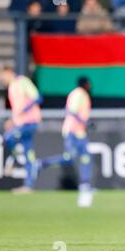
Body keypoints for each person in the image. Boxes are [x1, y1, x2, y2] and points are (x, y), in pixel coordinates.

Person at [35, 77, 95, 208]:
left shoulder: (78, 94)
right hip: (73, 132)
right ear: (85, 84)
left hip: (78, 132)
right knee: (71, 158)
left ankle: (85, 185)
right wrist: (85, 122)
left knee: (85, 158)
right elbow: (70, 111)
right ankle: (42, 163)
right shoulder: (79, 94)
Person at [0, 66, 42, 194]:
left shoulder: (21, 81)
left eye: (3, 76)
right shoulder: (11, 87)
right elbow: (17, 109)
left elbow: (38, 97)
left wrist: (24, 111)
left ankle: (13, 161)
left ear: (9, 73)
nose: (2, 79)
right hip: (20, 123)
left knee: (8, 138)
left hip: (29, 122)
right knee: (29, 153)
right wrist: (12, 120)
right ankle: (28, 186)